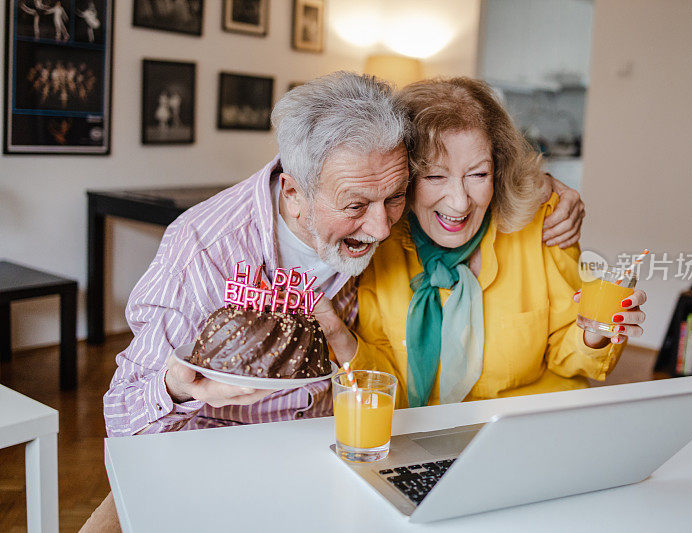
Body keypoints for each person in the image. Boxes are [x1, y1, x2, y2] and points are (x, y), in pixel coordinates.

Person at [82, 72, 584, 532]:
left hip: (345, 461)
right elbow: (124, 419)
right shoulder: (205, 250)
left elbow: (459, 166)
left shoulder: (384, 198)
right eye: (355, 207)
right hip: (225, 464)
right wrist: (176, 387)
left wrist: (549, 187)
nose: (382, 228)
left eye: (394, 198)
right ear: (294, 192)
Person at [316, 77, 647, 408]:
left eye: (478, 175)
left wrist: (595, 332)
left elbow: (569, 355)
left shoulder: (543, 223)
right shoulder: (381, 243)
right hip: (433, 439)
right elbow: (384, 385)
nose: (460, 202)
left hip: (531, 426)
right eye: (434, 176)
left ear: (498, 172)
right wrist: (337, 335)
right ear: (404, 178)